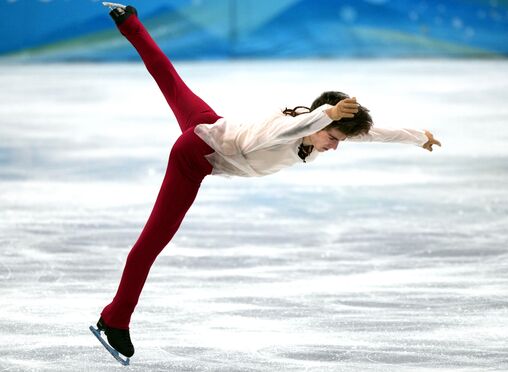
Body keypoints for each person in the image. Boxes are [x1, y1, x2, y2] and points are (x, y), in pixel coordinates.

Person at [94, 3, 441, 360]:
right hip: (196, 155)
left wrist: (417, 137)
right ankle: (115, 318)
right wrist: (327, 114)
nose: (335, 147)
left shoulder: (320, 130)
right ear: (319, 122)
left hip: (211, 123)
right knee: (153, 241)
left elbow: (371, 133)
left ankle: (127, 18)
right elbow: (296, 128)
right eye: (333, 137)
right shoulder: (283, 129)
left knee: (168, 77)